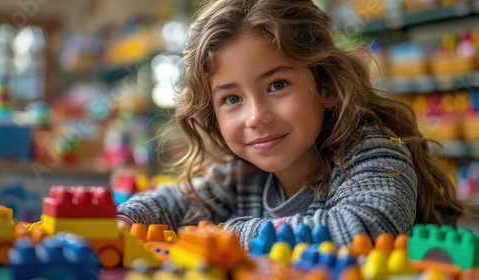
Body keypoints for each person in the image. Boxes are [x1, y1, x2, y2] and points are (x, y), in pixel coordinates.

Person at [116, 0, 465, 251]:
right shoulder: (242, 177)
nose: (255, 116)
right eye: (232, 99)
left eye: (277, 85)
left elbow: (362, 230)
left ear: (326, 85)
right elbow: (173, 203)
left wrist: (228, 234)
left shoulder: (375, 157)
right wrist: (125, 218)